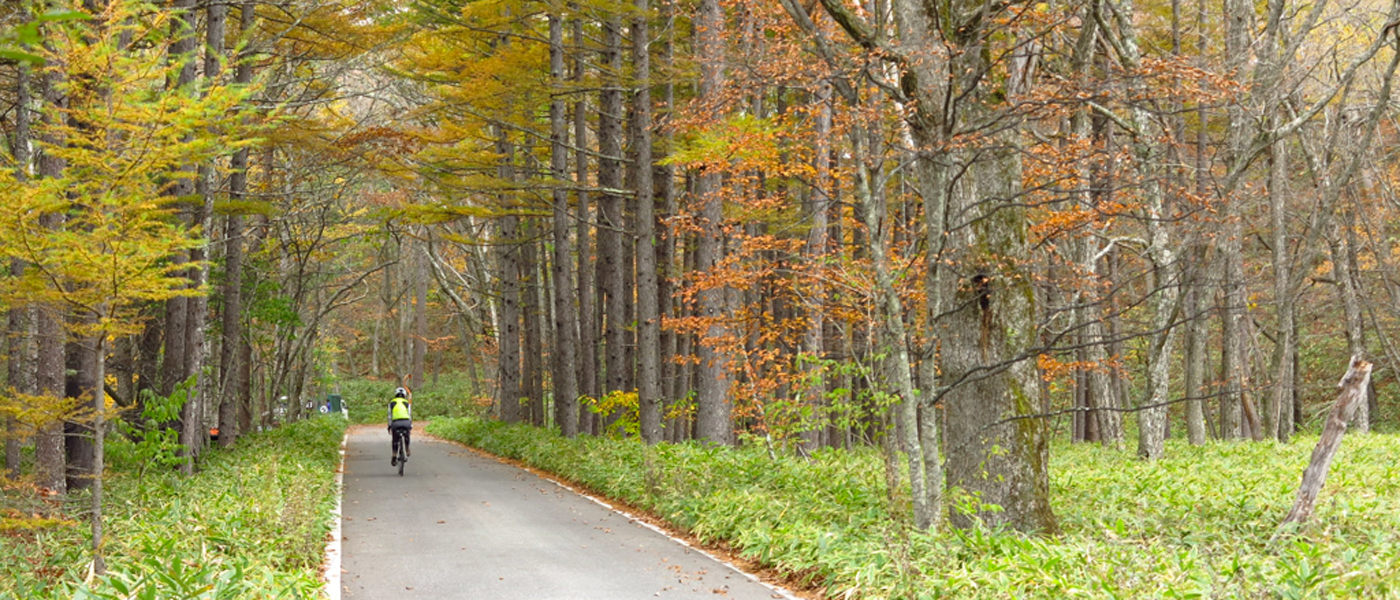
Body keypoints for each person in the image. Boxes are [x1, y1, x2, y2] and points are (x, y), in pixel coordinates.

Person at [388, 387, 412, 466]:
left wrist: (389, 425)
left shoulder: (392, 403)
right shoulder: (406, 403)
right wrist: (410, 425)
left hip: (396, 423)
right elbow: (409, 414)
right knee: (407, 435)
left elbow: (389, 416)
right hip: (406, 422)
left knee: (395, 439)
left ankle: (394, 454)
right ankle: (407, 449)